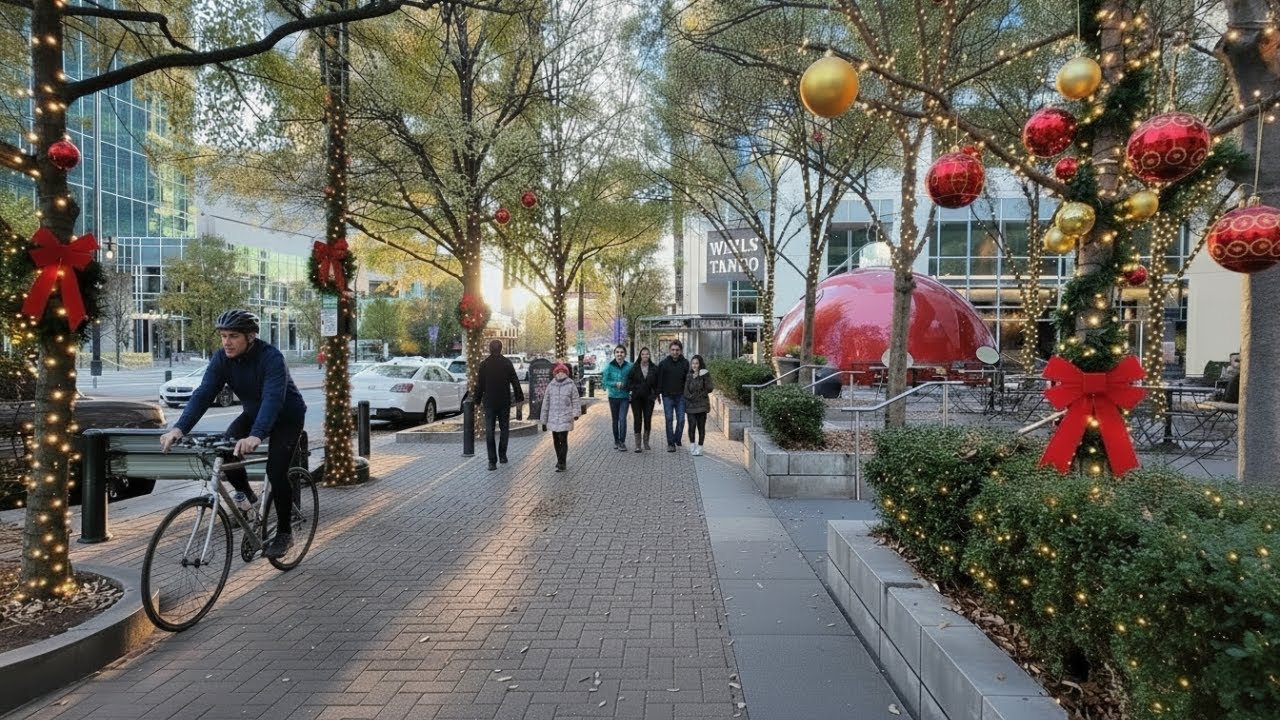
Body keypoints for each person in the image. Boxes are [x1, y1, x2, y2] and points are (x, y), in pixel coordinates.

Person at [158, 310, 307, 559]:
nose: (227, 342)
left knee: (276, 471)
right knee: (226, 450)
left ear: (250, 337)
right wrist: (178, 428)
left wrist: (256, 435)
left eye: (234, 336)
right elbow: (204, 394)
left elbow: (272, 399)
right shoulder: (221, 359)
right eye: (224, 336)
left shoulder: (271, 358)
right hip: (253, 414)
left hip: (286, 416)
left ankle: (284, 533)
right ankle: (247, 495)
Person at [474, 339, 525, 471]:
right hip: (504, 402)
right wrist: (519, 398)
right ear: (501, 349)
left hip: (489, 402)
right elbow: (515, 381)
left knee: (490, 431)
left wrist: (477, 401)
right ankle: (502, 455)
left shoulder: (484, 364)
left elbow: (480, 385)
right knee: (504, 429)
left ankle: (492, 461)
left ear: (490, 349)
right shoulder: (507, 363)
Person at [539, 362, 581, 471]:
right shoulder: (551, 385)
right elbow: (546, 403)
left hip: (565, 416)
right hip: (553, 417)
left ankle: (562, 462)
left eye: (563, 371)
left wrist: (576, 413)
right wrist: (543, 419)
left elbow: (575, 400)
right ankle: (559, 460)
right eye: (558, 371)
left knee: (563, 439)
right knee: (556, 440)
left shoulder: (571, 385)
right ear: (555, 373)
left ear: (566, 373)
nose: (560, 373)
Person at [655, 340, 691, 452]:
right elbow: (659, 380)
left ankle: (677, 438)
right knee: (669, 419)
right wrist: (658, 394)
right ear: (669, 350)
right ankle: (671, 444)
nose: (675, 352)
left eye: (677, 350)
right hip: (667, 396)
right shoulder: (663, 364)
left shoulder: (685, 363)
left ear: (680, 351)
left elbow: (688, 380)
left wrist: (688, 394)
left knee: (681, 420)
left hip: (681, 396)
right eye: (673, 350)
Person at [626, 347, 658, 452]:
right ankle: (638, 445)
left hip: (649, 398)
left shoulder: (654, 368)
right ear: (640, 355)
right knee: (638, 419)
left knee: (648, 419)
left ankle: (646, 442)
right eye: (643, 354)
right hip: (637, 398)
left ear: (649, 355)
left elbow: (658, 383)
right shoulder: (634, 367)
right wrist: (633, 389)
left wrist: (655, 394)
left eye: (647, 354)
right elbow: (629, 381)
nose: (645, 356)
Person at [602, 344, 632, 451]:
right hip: (613, 397)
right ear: (614, 354)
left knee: (622, 419)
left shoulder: (630, 366)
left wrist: (626, 385)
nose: (619, 354)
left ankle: (622, 442)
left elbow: (633, 379)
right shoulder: (609, 366)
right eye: (617, 352)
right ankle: (616, 440)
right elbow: (604, 382)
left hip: (624, 396)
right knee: (615, 420)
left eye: (622, 352)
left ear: (625, 354)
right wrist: (615, 383)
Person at [684, 354, 713, 456]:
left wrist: (704, 376)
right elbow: (686, 391)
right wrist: (691, 397)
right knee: (691, 426)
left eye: (696, 363)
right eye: (693, 363)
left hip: (702, 406)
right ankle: (692, 445)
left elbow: (709, 388)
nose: (694, 365)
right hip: (691, 406)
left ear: (700, 364)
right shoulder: (688, 376)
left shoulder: (704, 374)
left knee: (701, 427)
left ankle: (700, 447)